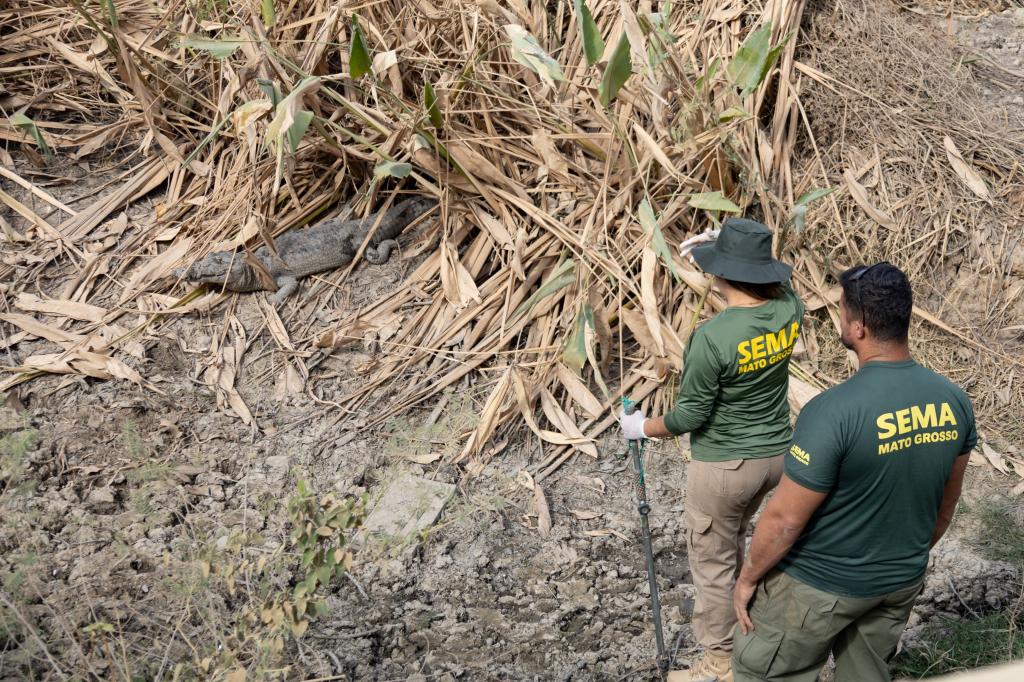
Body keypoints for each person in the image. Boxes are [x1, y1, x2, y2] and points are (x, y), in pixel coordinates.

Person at [731, 263, 977, 682]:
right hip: (899, 583)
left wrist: (748, 578)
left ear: (858, 326)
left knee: (764, 671)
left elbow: (785, 521)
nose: (839, 318)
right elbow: (944, 506)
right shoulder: (953, 400)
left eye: (842, 310)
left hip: (819, 586)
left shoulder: (832, 411)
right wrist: (898, 561)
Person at [619, 218, 803, 682]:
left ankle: (721, 663)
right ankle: (753, 628)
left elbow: (689, 417)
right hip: (776, 459)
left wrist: (642, 426)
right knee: (741, 538)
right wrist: (716, 247)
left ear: (720, 274)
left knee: (713, 562)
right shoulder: (789, 310)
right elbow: (783, 283)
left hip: (724, 467)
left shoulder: (714, 337)